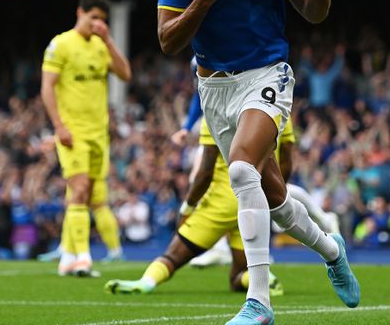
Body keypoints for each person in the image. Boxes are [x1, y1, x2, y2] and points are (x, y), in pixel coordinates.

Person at [156, 0, 359, 323]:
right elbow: (168, 40)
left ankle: (259, 302)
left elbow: (313, 12)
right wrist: (203, 1)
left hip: (268, 74)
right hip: (213, 87)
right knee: (277, 202)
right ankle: (331, 250)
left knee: (243, 170)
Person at [104, 117, 288, 296]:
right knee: (238, 276)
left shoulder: (216, 110)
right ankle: (264, 278)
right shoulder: (275, 107)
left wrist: (188, 207)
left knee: (172, 256)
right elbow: (286, 162)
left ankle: (146, 282)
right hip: (255, 202)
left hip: (221, 204)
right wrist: (273, 199)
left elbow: (205, 172)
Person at [41, 0, 132, 276]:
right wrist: (58, 126)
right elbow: (47, 88)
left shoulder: (100, 45)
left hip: (99, 133)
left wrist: (108, 39)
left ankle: (67, 257)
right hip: (72, 132)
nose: (97, 24)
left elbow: (125, 74)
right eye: (93, 18)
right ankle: (83, 257)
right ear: (80, 13)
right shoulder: (60, 44)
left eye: (102, 20)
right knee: (79, 190)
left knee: (88, 195)